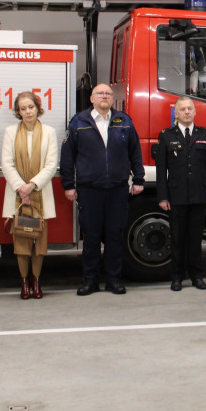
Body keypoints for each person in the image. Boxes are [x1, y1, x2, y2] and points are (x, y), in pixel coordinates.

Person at [61, 84, 145, 295]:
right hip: (89, 190)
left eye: (108, 93)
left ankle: (113, 279)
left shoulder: (124, 121)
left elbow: (135, 151)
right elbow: (67, 156)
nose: (105, 96)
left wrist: (139, 179)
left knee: (115, 236)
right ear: (92, 98)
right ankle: (90, 281)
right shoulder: (78, 122)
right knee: (91, 236)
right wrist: (68, 184)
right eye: (100, 93)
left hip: (117, 189)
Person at [155, 96, 206, 291]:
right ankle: (176, 277)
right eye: (182, 109)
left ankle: (197, 276)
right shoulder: (166, 136)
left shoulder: (205, 135)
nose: (186, 112)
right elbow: (161, 171)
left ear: (195, 112)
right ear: (176, 112)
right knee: (177, 239)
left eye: (189, 108)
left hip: (199, 196)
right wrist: (163, 197)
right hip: (176, 196)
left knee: (195, 239)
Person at [2, 91, 59, 300]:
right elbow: (6, 164)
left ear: (38, 108)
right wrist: (21, 188)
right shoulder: (10, 132)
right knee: (22, 241)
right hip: (17, 195)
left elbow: (51, 165)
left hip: (40, 195)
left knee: (39, 242)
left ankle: (36, 281)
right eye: (23, 108)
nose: (27, 112)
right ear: (18, 111)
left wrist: (32, 186)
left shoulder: (49, 132)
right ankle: (24, 282)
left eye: (31, 107)